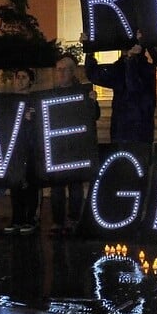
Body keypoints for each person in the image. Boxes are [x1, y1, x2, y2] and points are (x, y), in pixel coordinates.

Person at [49, 53, 100, 236]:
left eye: (65, 70)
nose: (61, 73)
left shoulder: (84, 92)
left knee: (75, 186)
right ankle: (57, 221)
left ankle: (73, 219)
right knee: (56, 187)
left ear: (72, 72)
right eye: (58, 70)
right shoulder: (51, 94)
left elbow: (94, 116)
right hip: (57, 148)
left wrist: (93, 103)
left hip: (77, 148)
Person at [84, 34, 156, 144]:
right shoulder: (119, 68)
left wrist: (130, 60)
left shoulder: (147, 69)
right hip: (120, 129)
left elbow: (134, 87)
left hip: (140, 130)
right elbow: (94, 74)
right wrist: (89, 51)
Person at [3, 68, 39, 236]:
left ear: (30, 81)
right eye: (18, 77)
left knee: (30, 184)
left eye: (24, 77)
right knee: (15, 184)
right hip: (13, 148)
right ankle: (17, 217)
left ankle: (30, 218)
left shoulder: (35, 101)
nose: (20, 80)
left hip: (30, 148)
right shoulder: (9, 101)